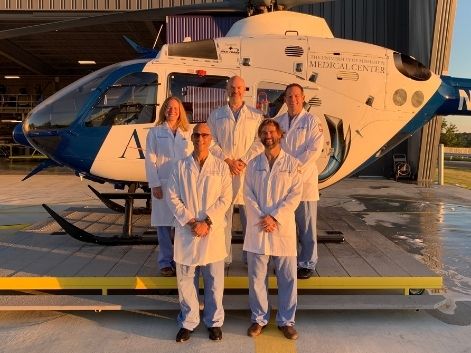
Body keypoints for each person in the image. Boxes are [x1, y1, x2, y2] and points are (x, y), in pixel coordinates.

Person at [166, 123, 232, 342]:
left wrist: (207, 222)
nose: (200, 139)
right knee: (185, 279)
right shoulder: (180, 166)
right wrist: (192, 221)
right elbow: (172, 197)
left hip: (211, 231)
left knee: (214, 280)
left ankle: (214, 322)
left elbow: (225, 198)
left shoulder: (221, 167)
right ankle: (189, 321)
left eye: (205, 135)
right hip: (188, 230)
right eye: (197, 135)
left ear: (210, 138)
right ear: (192, 138)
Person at [243, 119, 302, 340]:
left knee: (287, 278)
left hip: (282, 228)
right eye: (264, 132)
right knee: (257, 278)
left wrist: (275, 218)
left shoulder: (293, 164)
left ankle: (287, 321)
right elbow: (247, 194)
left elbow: (295, 196)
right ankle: (259, 319)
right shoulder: (253, 163)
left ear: (280, 135)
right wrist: (263, 218)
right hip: (259, 228)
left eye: (271, 132)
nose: (268, 136)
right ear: (260, 136)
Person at [207, 75, 264, 264]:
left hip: (247, 172)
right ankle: (224, 257)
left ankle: (251, 257)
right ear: (227, 89)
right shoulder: (216, 115)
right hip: (225, 171)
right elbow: (210, 141)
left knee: (251, 217)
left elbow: (260, 142)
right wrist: (227, 161)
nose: (236, 91)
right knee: (224, 217)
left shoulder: (256, 115)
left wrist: (243, 161)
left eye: (239, 87)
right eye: (232, 87)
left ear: (245, 90)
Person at [274, 83, 324, 279]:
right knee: (283, 224)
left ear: (303, 98)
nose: (293, 99)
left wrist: (293, 167)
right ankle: (284, 260)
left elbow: (314, 150)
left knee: (306, 225)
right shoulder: (278, 122)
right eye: (289, 96)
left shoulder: (312, 121)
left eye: (296, 96)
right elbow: (273, 148)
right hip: (283, 182)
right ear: (285, 100)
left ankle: (307, 262)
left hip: (303, 182)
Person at [145, 96, 193, 277]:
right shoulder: (155, 132)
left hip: (183, 184)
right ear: (164, 110)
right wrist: (154, 184)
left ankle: (180, 260)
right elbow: (150, 160)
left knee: (181, 223)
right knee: (164, 225)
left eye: (175, 108)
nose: (172, 111)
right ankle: (165, 262)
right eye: (169, 107)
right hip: (163, 184)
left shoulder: (187, 133)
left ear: (180, 111)